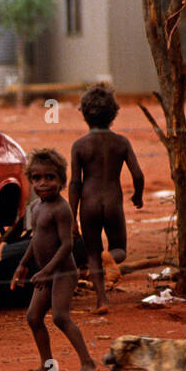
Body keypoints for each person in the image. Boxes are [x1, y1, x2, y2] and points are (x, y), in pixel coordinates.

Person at [12, 148, 99, 371]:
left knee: (60, 317)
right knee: (33, 317)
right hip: (45, 273)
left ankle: (88, 363)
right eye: (37, 178)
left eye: (50, 177)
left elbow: (66, 246)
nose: (43, 183)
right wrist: (22, 265)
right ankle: (47, 366)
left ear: (61, 180)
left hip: (62, 272)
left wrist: (46, 271)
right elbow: (35, 240)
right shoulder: (36, 207)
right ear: (30, 180)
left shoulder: (61, 209)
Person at [69, 82, 144, 313]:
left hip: (88, 204)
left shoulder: (79, 145)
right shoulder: (121, 142)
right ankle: (108, 257)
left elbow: (75, 183)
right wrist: (137, 196)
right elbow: (138, 174)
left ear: (83, 114)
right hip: (113, 202)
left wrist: (72, 218)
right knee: (119, 249)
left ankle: (102, 301)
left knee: (92, 255)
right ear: (114, 114)